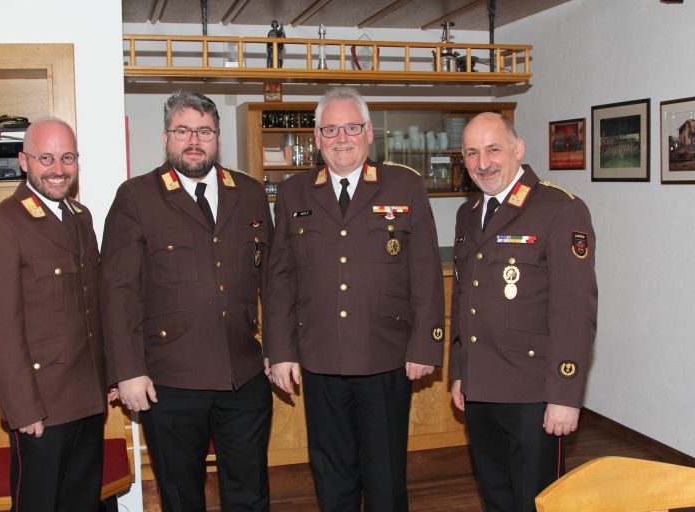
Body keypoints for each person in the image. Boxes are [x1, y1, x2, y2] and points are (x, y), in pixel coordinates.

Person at [265, 86, 445, 511]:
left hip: (385, 356)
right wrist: (281, 350)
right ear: (317, 137)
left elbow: (424, 272)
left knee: (385, 477)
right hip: (320, 356)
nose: (341, 138)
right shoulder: (294, 192)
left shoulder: (405, 185)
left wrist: (425, 345)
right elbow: (280, 278)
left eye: (351, 127)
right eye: (331, 129)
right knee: (332, 475)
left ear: (368, 133)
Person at [100, 91, 273, 512]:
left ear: (217, 138)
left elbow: (274, 278)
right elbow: (117, 291)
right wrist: (127, 371)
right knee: (181, 497)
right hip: (170, 381)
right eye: (182, 131)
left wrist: (280, 349)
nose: (193, 141)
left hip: (243, 375)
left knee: (250, 493)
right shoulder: (137, 197)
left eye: (204, 131)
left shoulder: (249, 192)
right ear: (165, 138)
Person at [449, 112, 598, 512]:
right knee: (496, 496)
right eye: (472, 153)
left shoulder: (559, 209)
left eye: (493, 149)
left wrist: (565, 396)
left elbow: (575, 312)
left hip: (534, 394)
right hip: (481, 388)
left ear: (518, 148)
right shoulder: (469, 213)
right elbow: (463, 299)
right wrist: (460, 372)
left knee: (537, 501)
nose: (483, 163)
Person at [0, 117, 107, 512]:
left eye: (67, 158)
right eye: (45, 158)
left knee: (81, 504)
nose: (57, 169)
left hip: (88, 398)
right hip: (42, 406)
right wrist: (23, 407)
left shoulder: (80, 217)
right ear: (23, 161)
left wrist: (109, 376)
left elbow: (92, 308)